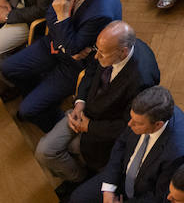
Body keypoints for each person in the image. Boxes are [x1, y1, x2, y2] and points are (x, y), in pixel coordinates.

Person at [34, 21, 160, 194]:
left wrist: (89, 127)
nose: (96, 56)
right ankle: (77, 177)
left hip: (101, 132)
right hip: (84, 111)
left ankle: (81, 179)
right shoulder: (108, 48)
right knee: (44, 151)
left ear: (123, 52)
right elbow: (90, 73)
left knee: (70, 149)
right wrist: (80, 102)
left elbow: (127, 126)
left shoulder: (141, 80)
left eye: (102, 54)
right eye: (97, 50)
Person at [1, 0, 122, 131]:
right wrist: (63, 35)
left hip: (73, 65)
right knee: (8, 68)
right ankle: (36, 93)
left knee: (28, 110)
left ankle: (55, 121)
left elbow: (73, 48)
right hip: (53, 44)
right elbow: (50, 14)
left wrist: (63, 17)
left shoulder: (101, 12)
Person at [67, 86, 184, 203]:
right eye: (131, 118)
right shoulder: (141, 114)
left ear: (158, 124)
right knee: (77, 199)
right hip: (121, 176)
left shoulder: (178, 153)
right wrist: (108, 189)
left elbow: (160, 196)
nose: (129, 124)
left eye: (137, 123)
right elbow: (121, 144)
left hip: (143, 194)